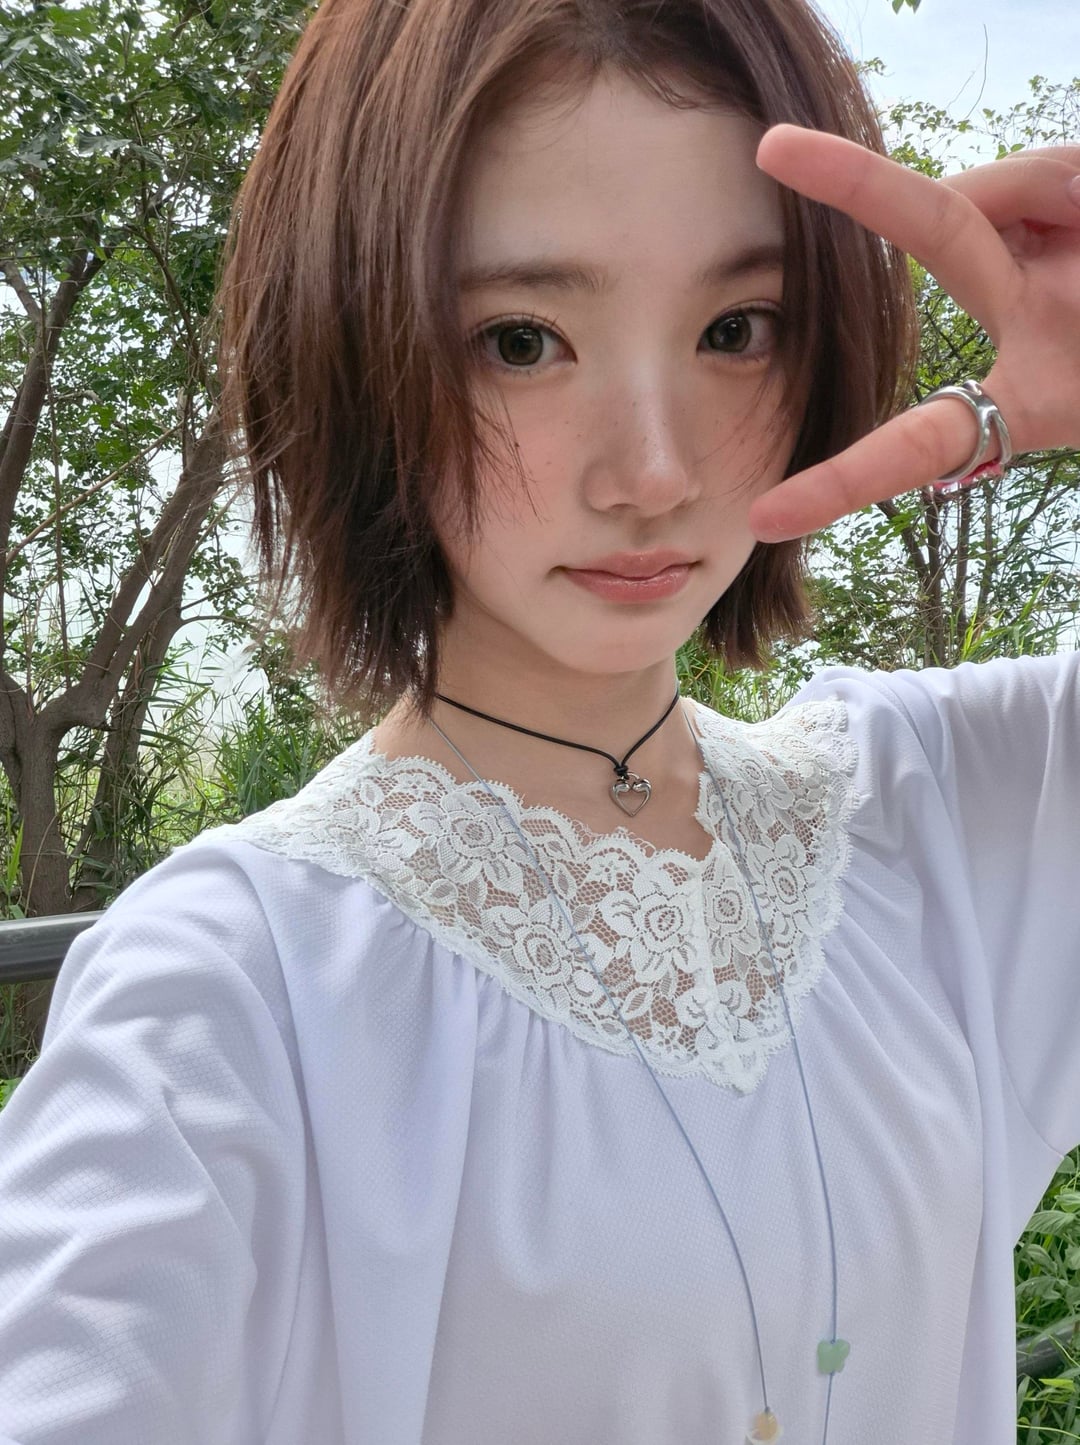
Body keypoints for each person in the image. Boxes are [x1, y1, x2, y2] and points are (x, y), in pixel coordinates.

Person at [0, 0, 1078, 1442]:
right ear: (351, 346)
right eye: (522, 341)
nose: (653, 470)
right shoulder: (236, 996)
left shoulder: (943, 812)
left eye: (734, 330)